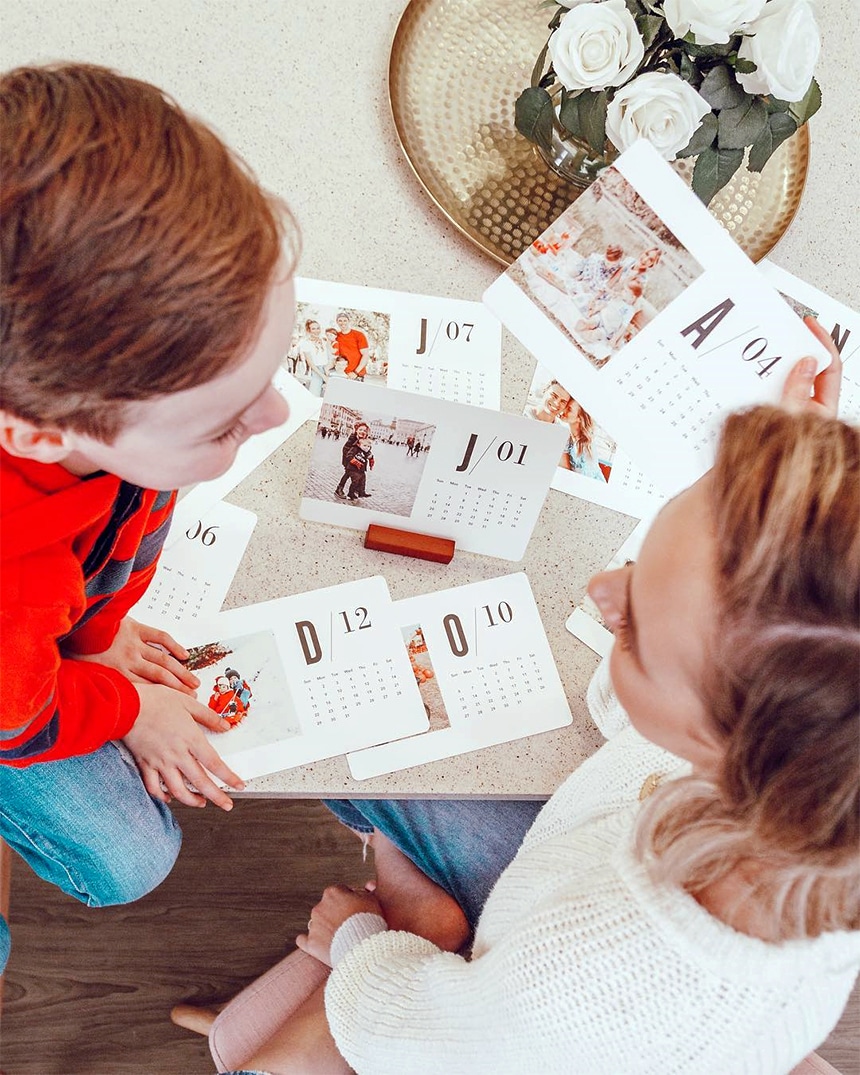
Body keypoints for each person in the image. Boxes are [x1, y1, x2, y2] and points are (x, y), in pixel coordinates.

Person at [203, 327, 859, 1074]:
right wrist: (798, 503)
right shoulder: (820, 778)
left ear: (723, 739)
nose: (598, 590)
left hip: (475, 1014)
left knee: (354, 761)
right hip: (578, 880)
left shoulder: (589, 977)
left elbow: (400, 1034)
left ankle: (414, 917)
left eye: (636, 627)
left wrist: (359, 939)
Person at [0, 63, 300, 972]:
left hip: (40, 644)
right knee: (133, 859)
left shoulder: (99, 417)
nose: (279, 414)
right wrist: (124, 702)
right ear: (42, 434)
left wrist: (92, 640)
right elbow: (20, 722)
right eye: (221, 421)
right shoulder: (15, 583)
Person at [334, 421, 370, 499]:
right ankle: (339, 489)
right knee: (347, 474)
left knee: (359, 475)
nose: (362, 432)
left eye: (364, 430)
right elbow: (345, 449)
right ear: (356, 430)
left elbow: (365, 448)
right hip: (349, 459)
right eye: (360, 430)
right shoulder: (353, 437)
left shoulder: (363, 438)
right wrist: (350, 460)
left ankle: (357, 490)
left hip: (358, 460)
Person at [297, 319, 328, 397]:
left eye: (318, 328)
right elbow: (310, 363)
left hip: (328, 369)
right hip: (316, 370)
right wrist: (323, 376)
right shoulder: (306, 343)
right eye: (313, 329)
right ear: (309, 330)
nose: (316, 331)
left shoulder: (324, 340)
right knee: (314, 395)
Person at [334, 312, 370, 379]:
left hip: (356, 375)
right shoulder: (336, 336)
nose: (342, 323)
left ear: (349, 321)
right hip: (341, 374)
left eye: (345, 320)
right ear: (337, 322)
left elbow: (365, 355)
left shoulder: (359, 335)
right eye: (340, 321)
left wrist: (355, 372)